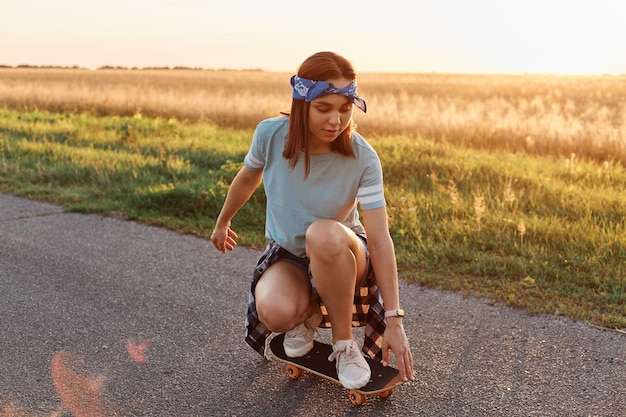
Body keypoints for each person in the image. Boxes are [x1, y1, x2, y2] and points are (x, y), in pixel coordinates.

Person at [210, 51, 415, 389]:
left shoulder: (363, 157)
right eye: (324, 108)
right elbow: (248, 177)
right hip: (292, 254)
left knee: (322, 234)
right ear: (302, 102)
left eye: (345, 109)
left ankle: (344, 343)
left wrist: (394, 319)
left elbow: (379, 238)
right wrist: (222, 222)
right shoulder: (271, 135)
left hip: (346, 251)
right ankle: (306, 314)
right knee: (274, 312)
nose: (336, 120)